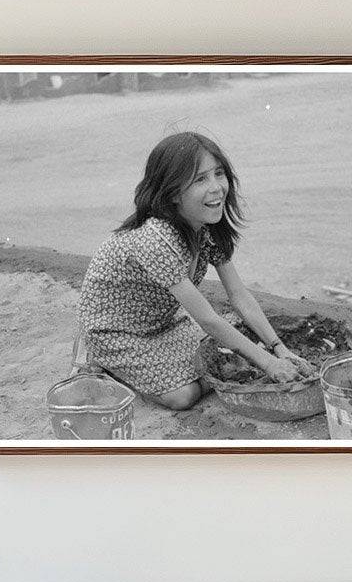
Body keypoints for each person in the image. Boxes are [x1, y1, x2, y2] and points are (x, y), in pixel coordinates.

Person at [78, 131, 314, 410]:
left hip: (164, 321)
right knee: (184, 396)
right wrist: (270, 365)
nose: (216, 187)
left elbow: (239, 296)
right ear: (173, 192)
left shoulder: (205, 226)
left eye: (218, 173)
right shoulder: (155, 240)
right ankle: (100, 360)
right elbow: (209, 320)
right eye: (200, 179)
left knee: (226, 362)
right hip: (116, 331)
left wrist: (278, 348)